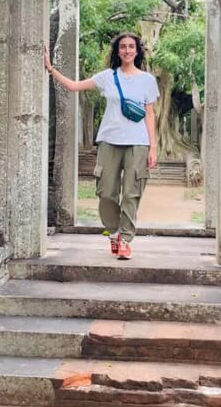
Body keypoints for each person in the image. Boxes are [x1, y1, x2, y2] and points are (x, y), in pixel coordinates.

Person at [44, 31, 159, 259]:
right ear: (117, 51)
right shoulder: (108, 76)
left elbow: (150, 114)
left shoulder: (147, 80)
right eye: (123, 46)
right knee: (106, 192)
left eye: (131, 46)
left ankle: (125, 240)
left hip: (138, 143)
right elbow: (74, 86)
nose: (127, 50)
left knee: (132, 193)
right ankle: (114, 232)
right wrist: (50, 68)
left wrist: (153, 147)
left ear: (138, 51)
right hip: (109, 141)